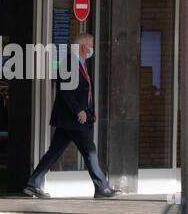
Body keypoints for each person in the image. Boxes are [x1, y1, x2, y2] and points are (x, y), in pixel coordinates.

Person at [23, 33, 121, 199]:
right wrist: (79, 111)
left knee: (54, 152)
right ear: (83, 47)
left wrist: (90, 111)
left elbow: (84, 91)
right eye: (91, 45)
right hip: (73, 119)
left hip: (71, 120)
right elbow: (66, 91)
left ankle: (33, 184)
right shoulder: (70, 63)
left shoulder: (79, 63)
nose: (92, 49)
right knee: (90, 151)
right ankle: (102, 187)